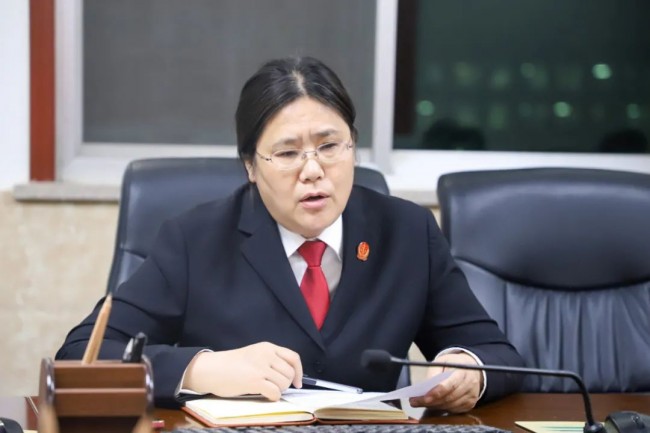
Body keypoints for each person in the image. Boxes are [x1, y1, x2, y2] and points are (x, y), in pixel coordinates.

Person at [56, 56, 524, 411]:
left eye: (330, 146)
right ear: (250, 167)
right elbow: (81, 358)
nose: (313, 170)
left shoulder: (407, 232)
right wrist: (202, 368)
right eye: (287, 153)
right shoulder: (195, 240)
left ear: (353, 147)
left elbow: (498, 355)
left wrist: (469, 371)